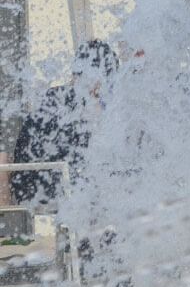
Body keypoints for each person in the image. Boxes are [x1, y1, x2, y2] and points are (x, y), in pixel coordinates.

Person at [10, 40, 117, 210]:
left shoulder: (60, 97)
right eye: (103, 79)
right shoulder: (58, 101)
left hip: (49, 183)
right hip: (42, 188)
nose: (102, 88)